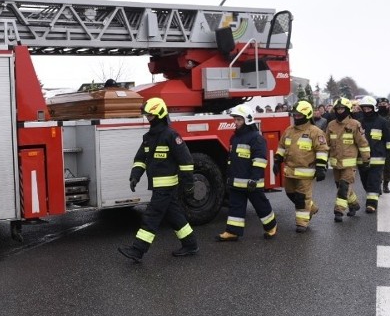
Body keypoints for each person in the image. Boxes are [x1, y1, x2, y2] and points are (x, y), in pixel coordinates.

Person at [118, 97, 199, 261]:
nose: (148, 118)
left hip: (166, 187)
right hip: (157, 186)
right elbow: (140, 158)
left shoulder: (171, 135)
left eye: (151, 115)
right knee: (175, 215)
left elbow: (186, 161)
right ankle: (190, 244)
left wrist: (189, 185)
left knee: (151, 216)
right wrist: (135, 175)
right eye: (147, 115)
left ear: (160, 114)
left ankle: (137, 250)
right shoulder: (148, 137)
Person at [216, 104, 277, 241]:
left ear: (247, 120)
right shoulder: (235, 138)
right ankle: (233, 231)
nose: (236, 122)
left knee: (261, 205)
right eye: (235, 119)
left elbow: (260, 160)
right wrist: (229, 177)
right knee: (235, 206)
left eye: (239, 119)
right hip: (237, 181)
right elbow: (231, 160)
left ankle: (271, 226)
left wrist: (254, 179)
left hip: (251, 182)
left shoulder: (256, 138)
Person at [273, 101, 329, 232]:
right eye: (295, 115)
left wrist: (321, 167)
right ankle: (312, 208)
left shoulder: (315, 132)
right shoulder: (289, 130)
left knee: (301, 197)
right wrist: (277, 160)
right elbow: (282, 146)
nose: (296, 117)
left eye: (299, 115)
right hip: (290, 171)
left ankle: (302, 223)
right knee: (290, 193)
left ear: (307, 115)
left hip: (306, 173)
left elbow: (322, 150)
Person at [325, 97, 370, 223]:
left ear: (348, 109)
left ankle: (338, 211)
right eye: (337, 109)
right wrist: (321, 160)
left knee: (344, 187)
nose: (340, 111)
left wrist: (366, 159)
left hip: (350, 165)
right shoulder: (331, 125)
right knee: (340, 187)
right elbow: (326, 144)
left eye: (342, 108)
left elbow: (363, 143)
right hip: (335, 163)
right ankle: (354, 204)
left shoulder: (355, 124)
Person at [357, 96, 390, 213]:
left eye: (369, 108)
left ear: (374, 108)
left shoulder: (382, 122)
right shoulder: (358, 123)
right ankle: (374, 192)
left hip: (377, 157)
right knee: (365, 181)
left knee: (373, 180)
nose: (367, 111)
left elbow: (389, 139)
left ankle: (371, 204)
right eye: (364, 109)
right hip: (361, 158)